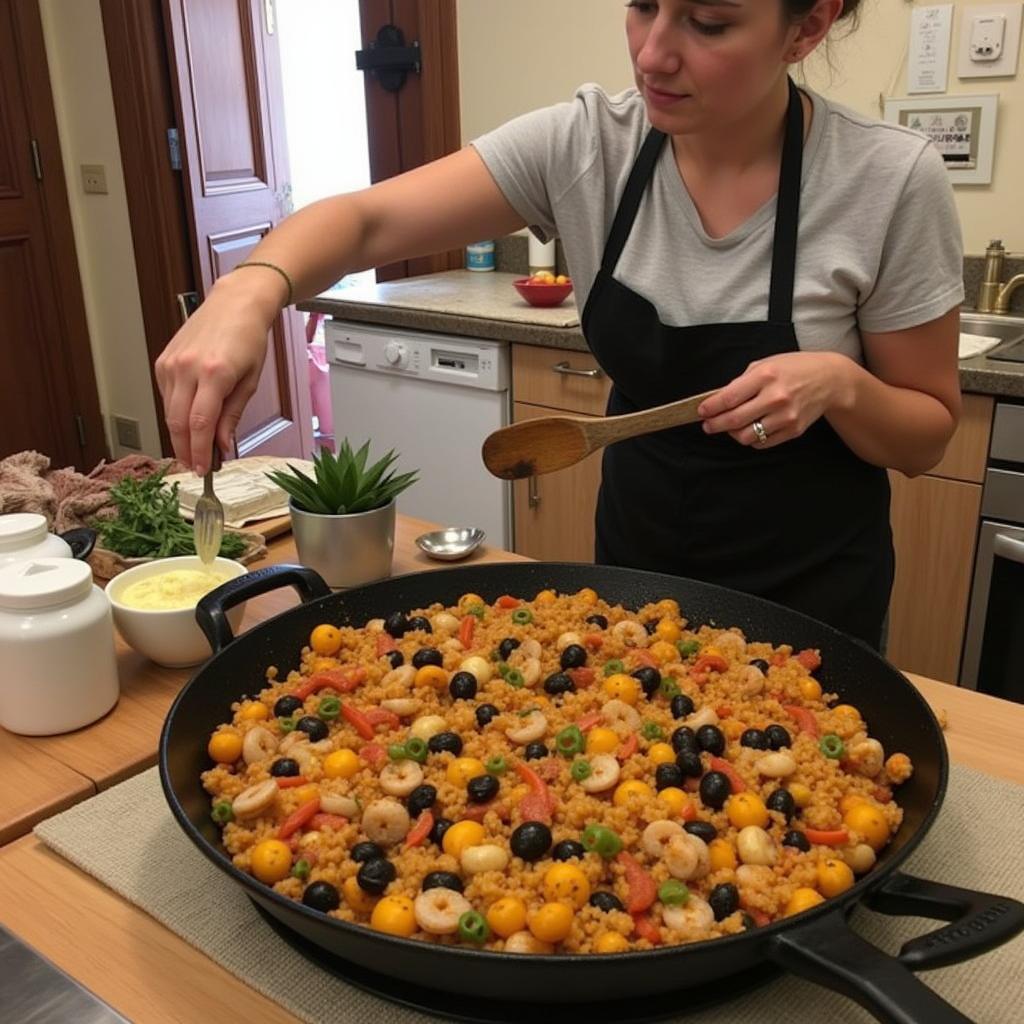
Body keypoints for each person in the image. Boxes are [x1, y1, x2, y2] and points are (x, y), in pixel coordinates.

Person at [156, 0, 963, 649]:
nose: (652, 53)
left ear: (808, 26)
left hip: (814, 601)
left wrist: (843, 384)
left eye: (708, 23)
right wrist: (249, 290)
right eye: (643, 5)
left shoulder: (887, 179)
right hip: (637, 581)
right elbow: (365, 221)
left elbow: (925, 437)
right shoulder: (589, 145)